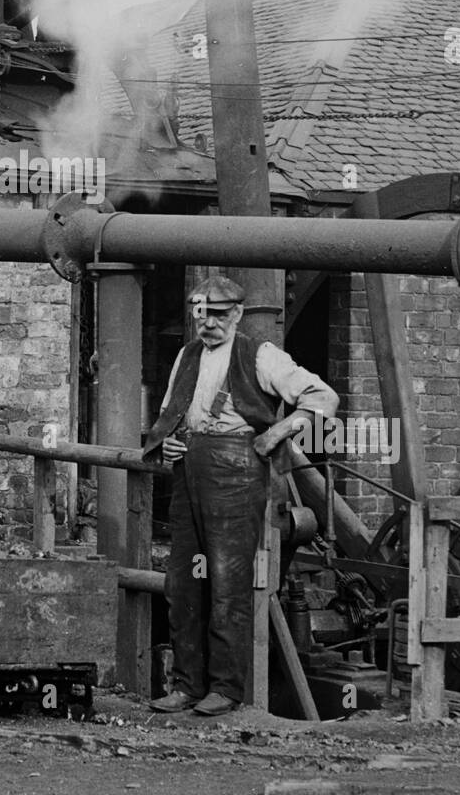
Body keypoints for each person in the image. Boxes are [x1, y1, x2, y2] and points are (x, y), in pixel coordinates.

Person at [143, 275, 338, 716]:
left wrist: (280, 431)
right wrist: (170, 440)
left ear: (236, 314)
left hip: (237, 474)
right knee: (183, 583)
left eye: (217, 315)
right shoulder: (186, 355)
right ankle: (186, 685)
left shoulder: (262, 355)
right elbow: (171, 412)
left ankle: (226, 689)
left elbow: (323, 397)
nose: (208, 324)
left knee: (229, 584)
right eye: (202, 314)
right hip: (189, 470)